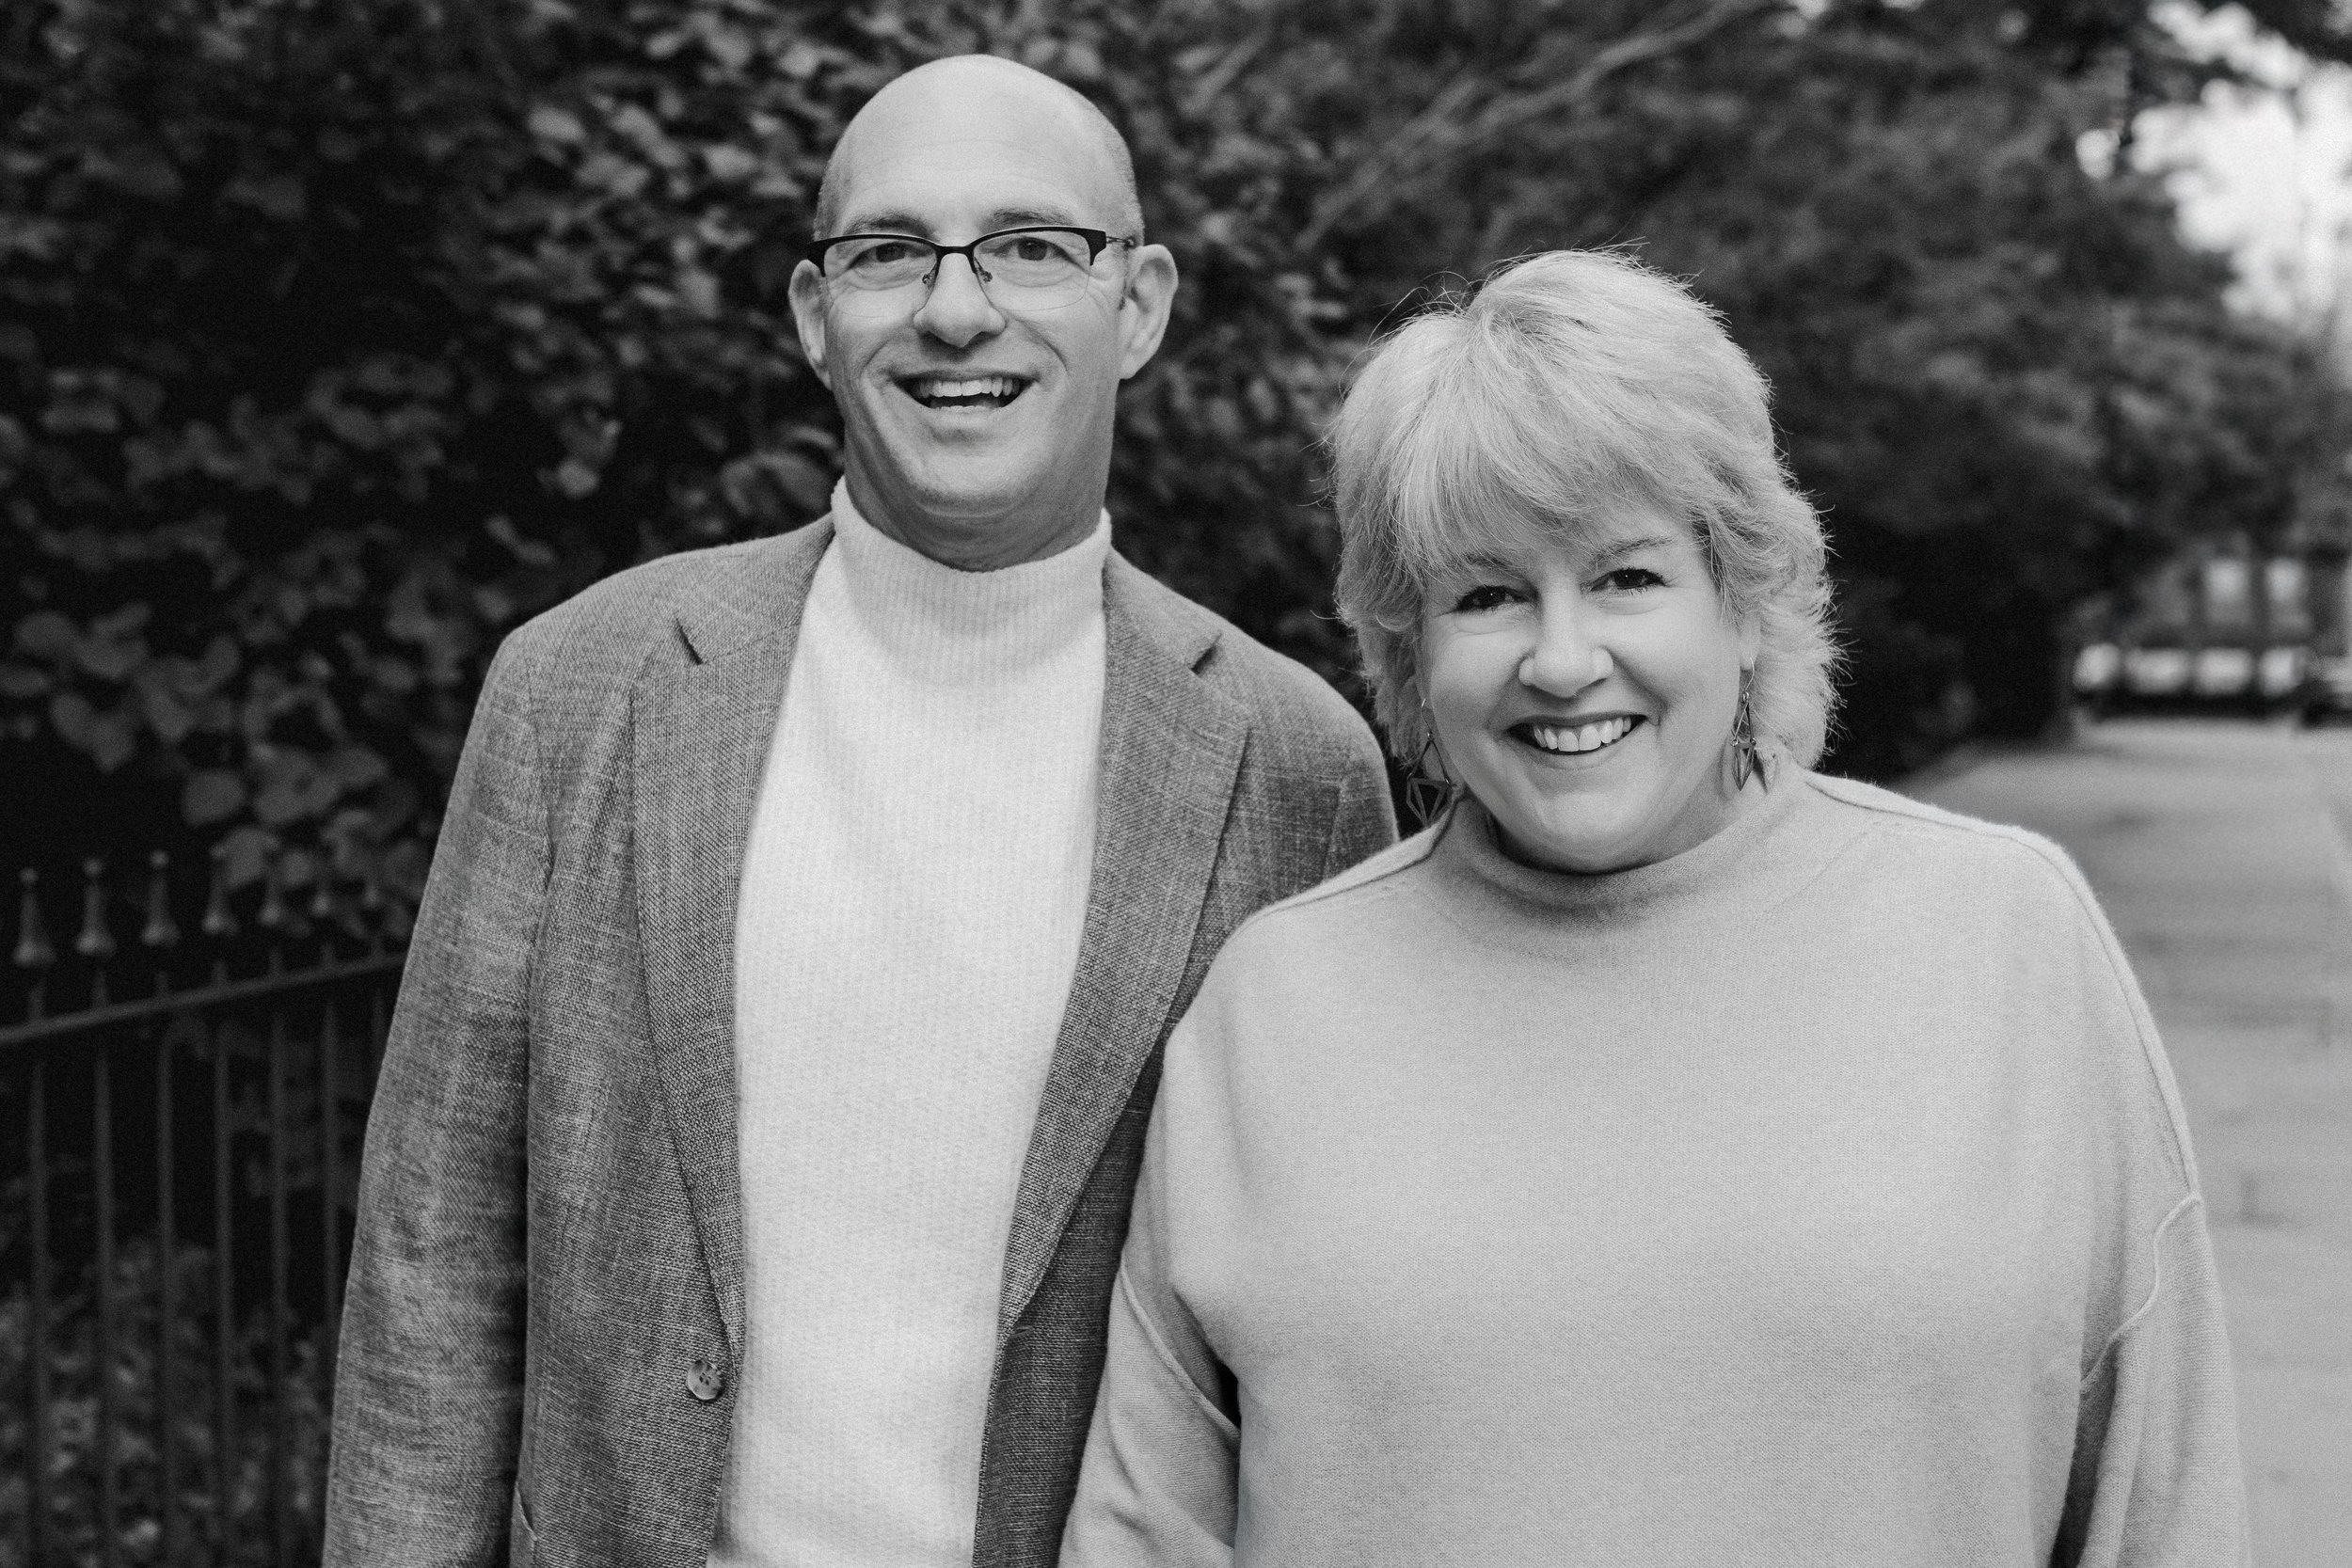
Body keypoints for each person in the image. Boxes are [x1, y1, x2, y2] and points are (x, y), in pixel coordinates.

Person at [324, 55, 1394, 1568]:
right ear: (818, 318)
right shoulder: (582, 686)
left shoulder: (1295, 767)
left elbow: (1326, 1328)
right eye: (890, 253)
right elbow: (433, 1270)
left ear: (1139, 305)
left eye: (1033, 246)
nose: (957, 310)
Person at [1057, 250, 2248, 1566]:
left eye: (1627, 577)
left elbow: (2166, 1506)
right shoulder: (1273, 1003)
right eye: (1489, 593)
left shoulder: (2008, 938)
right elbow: (1146, 1532)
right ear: (1409, 649)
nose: (1564, 661)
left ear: (1745, 601)